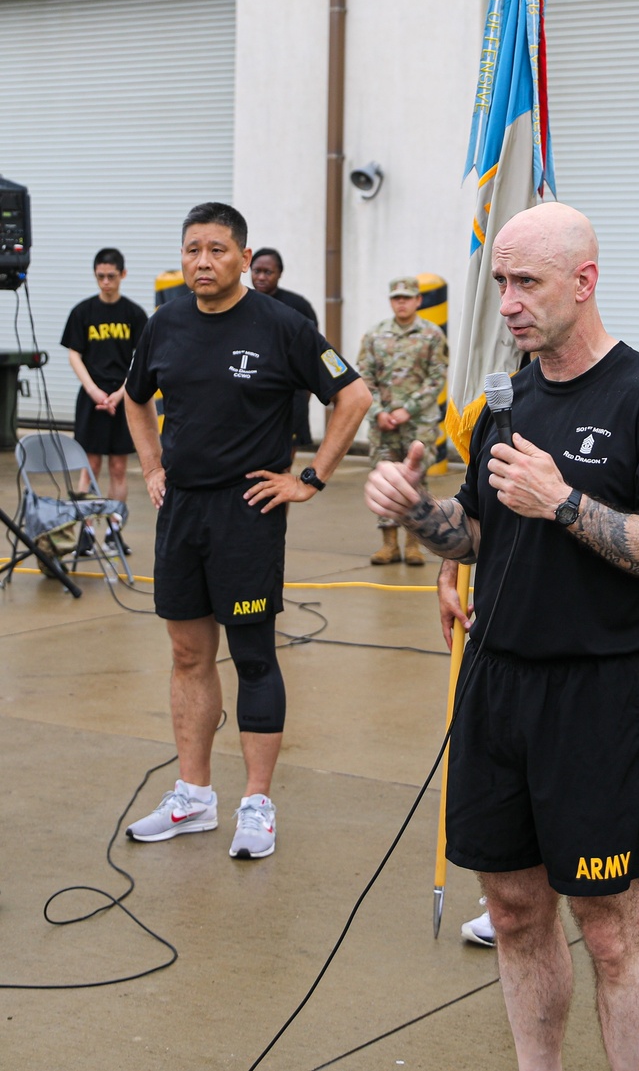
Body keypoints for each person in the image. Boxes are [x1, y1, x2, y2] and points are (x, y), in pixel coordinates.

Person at [366, 202, 639, 1069]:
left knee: (610, 930)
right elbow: (482, 529)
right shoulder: (509, 398)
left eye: (527, 282)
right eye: (501, 283)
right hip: (496, 687)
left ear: (584, 281)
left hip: (598, 698)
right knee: (517, 912)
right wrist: (420, 515)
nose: (510, 302)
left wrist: (563, 501)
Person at [123, 202, 370, 860]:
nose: (203, 261)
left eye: (218, 250)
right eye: (193, 249)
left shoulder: (282, 326)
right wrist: (151, 466)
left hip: (248, 511)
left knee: (253, 655)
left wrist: (310, 478)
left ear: (242, 256)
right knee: (186, 654)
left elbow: (353, 396)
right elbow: (135, 398)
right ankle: (193, 796)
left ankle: (256, 802)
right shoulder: (164, 324)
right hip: (182, 511)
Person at [60, 248, 149, 554]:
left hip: (122, 397)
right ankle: (85, 533)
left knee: (119, 468)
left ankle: (113, 531)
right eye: (100, 276)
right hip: (92, 398)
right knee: (90, 465)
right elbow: (74, 354)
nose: (106, 282)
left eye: (111, 276)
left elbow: (142, 359)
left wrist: (121, 393)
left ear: (123, 275)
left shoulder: (134, 314)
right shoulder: (83, 312)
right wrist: (93, 390)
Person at [357, 276, 448, 566]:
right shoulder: (375, 335)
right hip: (383, 424)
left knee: (415, 481)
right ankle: (388, 545)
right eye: (397, 298)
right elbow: (364, 378)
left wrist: (408, 409)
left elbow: (436, 378)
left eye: (407, 297)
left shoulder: (432, 334)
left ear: (418, 300)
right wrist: (378, 412)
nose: (402, 303)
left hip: (418, 422)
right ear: (391, 300)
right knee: (385, 479)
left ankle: (413, 544)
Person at [250, 246, 319, 457]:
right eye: (256, 271)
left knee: (285, 450)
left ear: (279, 273)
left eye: (267, 272)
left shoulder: (298, 306)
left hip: (290, 391)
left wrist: (303, 395)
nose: (261, 277)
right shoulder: (241, 303)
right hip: (251, 387)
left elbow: (312, 354)